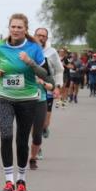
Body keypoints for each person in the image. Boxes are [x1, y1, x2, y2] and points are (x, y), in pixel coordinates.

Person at [0, 13, 51, 191]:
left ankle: (21, 180)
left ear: (25, 29)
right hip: (3, 97)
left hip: (28, 99)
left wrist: (30, 62)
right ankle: (9, 181)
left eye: (19, 27)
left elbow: (46, 74)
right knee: (6, 135)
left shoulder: (33, 47)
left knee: (22, 140)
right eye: (13, 27)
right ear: (8, 28)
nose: (15, 30)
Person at [28, 27, 61, 169]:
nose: (41, 38)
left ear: (46, 39)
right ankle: (37, 147)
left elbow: (59, 70)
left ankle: (44, 129)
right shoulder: (28, 49)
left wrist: (58, 86)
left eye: (43, 36)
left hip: (47, 88)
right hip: (31, 90)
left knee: (44, 123)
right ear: (34, 36)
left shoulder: (51, 52)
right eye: (38, 35)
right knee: (32, 123)